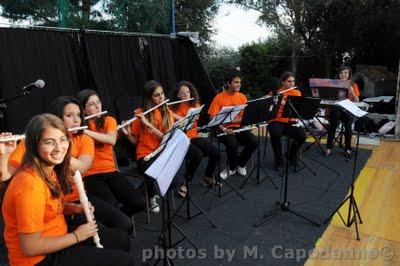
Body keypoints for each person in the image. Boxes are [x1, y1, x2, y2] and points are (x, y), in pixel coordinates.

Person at [2, 114, 134, 266]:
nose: (59, 148)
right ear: (34, 146)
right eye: (49, 142)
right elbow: (30, 247)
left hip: (56, 234)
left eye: (63, 139)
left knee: (122, 240)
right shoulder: (30, 186)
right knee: (126, 261)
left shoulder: (49, 169)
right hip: (38, 259)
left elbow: (47, 207)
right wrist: (77, 236)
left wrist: (73, 208)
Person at [7, 96, 134, 236]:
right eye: (69, 115)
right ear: (55, 118)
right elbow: (6, 174)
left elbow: (83, 167)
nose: (76, 120)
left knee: (125, 224)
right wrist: (4, 155)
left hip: (77, 198)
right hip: (50, 206)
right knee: (105, 235)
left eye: (79, 115)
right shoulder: (35, 141)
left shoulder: (84, 138)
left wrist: (59, 145)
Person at [76, 90, 145, 218]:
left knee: (139, 203)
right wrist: (78, 129)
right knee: (111, 208)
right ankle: (120, 223)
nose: (97, 107)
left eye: (98, 102)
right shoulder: (77, 126)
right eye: (92, 104)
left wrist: (85, 132)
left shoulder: (109, 120)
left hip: (111, 171)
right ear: (84, 111)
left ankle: (121, 220)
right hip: (90, 175)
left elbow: (111, 140)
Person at [122, 80, 185, 212]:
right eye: (157, 95)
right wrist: (128, 134)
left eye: (162, 93)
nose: (162, 97)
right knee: (152, 172)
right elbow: (136, 142)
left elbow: (166, 138)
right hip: (145, 155)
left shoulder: (166, 111)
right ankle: (151, 196)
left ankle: (166, 189)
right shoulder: (140, 113)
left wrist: (149, 126)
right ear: (149, 98)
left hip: (162, 152)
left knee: (176, 170)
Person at [207, 70, 257, 180]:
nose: (239, 84)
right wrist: (224, 129)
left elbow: (245, 116)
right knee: (232, 143)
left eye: (239, 82)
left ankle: (241, 163)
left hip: (238, 128)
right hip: (222, 129)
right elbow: (212, 118)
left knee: (254, 141)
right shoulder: (219, 97)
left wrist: (245, 125)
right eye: (236, 82)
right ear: (228, 83)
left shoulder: (242, 97)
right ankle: (231, 168)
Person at [170, 81, 221, 187]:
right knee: (197, 155)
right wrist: (169, 113)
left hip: (193, 136)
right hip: (180, 139)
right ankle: (186, 183)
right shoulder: (172, 107)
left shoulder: (195, 105)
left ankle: (207, 177)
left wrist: (172, 114)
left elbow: (188, 121)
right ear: (178, 95)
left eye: (188, 92)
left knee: (216, 153)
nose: (186, 95)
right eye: (183, 93)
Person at [268, 71, 306, 170]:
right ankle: (278, 159)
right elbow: (269, 109)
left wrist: (286, 103)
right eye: (289, 81)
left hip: (291, 120)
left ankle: (290, 155)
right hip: (277, 119)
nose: (292, 84)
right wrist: (270, 100)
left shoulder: (297, 93)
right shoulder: (275, 92)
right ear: (282, 82)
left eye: (293, 81)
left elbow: (298, 108)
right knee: (275, 133)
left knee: (302, 136)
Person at [325, 66, 360, 158]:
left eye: (345, 73)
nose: (343, 75)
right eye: (341, 73)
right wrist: (327, 109)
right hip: (335, 109)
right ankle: (329, 147)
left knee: (348, 126)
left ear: (349, 75)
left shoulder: (354, 85)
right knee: (333, 123)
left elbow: (357, 101)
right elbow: (328, 99)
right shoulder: (333, 84)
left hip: (348, 110)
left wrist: (351, 91)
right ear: (339, 74)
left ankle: (348, 148)